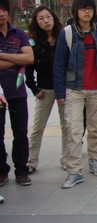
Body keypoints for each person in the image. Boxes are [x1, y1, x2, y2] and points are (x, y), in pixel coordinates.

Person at [54, 0, 97, 189]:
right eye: (83, 9)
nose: (87, 12)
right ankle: (74, 171)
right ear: (75, 11)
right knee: (74, 130)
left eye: (90, 8)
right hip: (74, 89)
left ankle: (95, 161)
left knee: (96, 128)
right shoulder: (68, 33)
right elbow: (59, 64)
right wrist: (59, 92)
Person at [25, 6, 67, 173]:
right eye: (41, 18)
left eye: (48, 17)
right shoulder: (34, 43)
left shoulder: (63, 38)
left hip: (64, 89)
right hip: (45, 90)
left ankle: (66, 158)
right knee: (37, 128)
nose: (46, 21)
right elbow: (28, 69)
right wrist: (34, 89)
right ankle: (31, 161)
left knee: (67, 127)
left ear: (54, 18)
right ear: (36, 22)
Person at [67, 13, 97, 155]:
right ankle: (77, 144)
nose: (86, 12)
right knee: (76, 120)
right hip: (77, 83)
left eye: (89, 8)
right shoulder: (70, 26)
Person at [0, 0, 34, 186]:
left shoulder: (19, 33)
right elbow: (22, 58)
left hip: (18, 91)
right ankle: (2, 170)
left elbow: (29, 57)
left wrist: (3, 55)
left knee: (20, 132)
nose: (1, 13)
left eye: (4, 9)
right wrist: (17, 59)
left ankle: (21, 170)